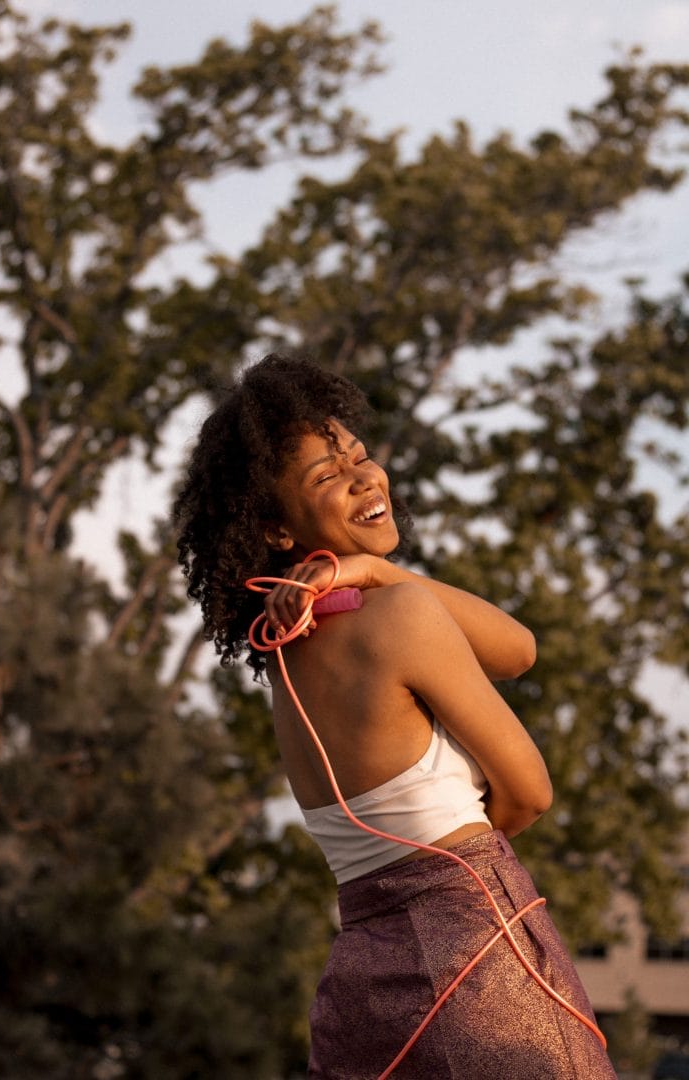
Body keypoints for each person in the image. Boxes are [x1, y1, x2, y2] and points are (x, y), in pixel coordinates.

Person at [174, 353, 617, 1080]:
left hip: (365, 988)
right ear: (276, 530)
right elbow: (531, 792)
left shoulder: (288, 660)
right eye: (325, 477)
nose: (363, 478)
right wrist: (468, 859)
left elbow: (518, 650)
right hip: (480, 969)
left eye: (359, 456)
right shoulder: (401, 618)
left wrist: (372, 568)